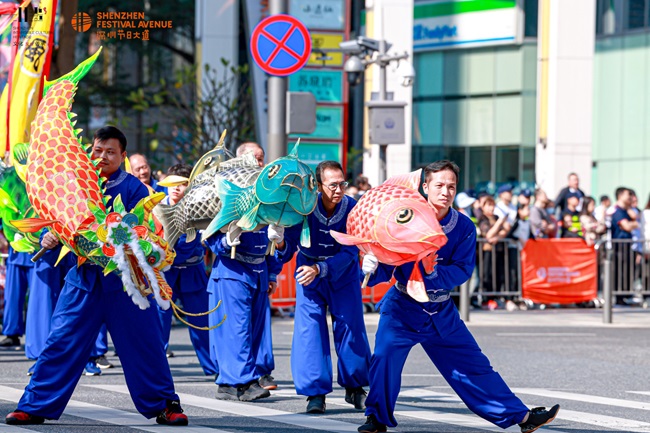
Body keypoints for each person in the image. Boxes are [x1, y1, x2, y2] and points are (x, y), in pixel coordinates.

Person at [357, 160, 559, 433]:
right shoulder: (404, 217)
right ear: (425, 186)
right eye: (439, 185)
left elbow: (463, 270)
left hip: (441, 311)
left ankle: (522, 418)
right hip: (402, 307)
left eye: (451, 186)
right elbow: (386, 266)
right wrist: (371, 262)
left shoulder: (463, 226)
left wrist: (431, 275)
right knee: (384, 358)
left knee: (474, 367)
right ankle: (376, 418)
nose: (445, 191)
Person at [5, 126, 188, 426]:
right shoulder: (73, 184)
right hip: (82, 282)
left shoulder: (135, 190)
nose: (102, 156)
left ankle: (165, 405)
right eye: (98, 150)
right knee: (60, 342)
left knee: (146, 344)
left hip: (126, 285)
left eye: (110, 152)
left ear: (123, 156)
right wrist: (50, 239)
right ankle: (34, 405)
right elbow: (59, 225)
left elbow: (150, 234)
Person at [276, 161, 371, 414]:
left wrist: (321, 269)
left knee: (351, 327)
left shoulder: (353, 208)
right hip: (308, 275)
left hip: (343, 275)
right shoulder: (304, 207)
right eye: (333, 185)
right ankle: (315, 394)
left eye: (342, 184)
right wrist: (278, 242)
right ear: (318, 186)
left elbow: (351, 251)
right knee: (310, 333)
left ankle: (355, 388)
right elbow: (288, 250)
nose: (339, 189)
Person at [156, 163, 217, 375]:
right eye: (172, 184)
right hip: (165, 271)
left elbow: (197, 241)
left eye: (182, 184)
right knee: (159, 322)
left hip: (192, 269)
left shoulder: (200, 206)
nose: (176, 189)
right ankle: (156, 368)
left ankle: (213, 368)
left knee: (201, 321)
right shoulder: (155, 207)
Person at [0, 246, 34, 348]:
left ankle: (39, 337)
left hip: (37, 253)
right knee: (12, 297)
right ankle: (12, 334)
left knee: (38, 300)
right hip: (16, 252)